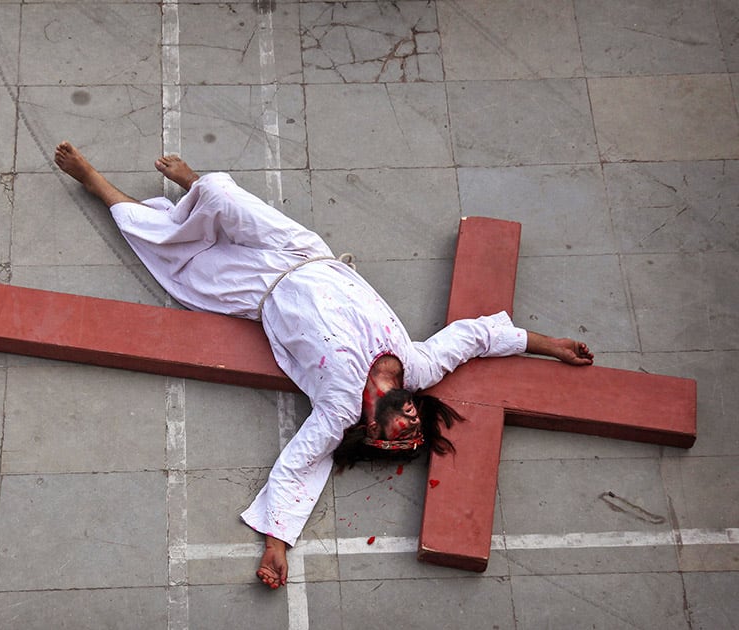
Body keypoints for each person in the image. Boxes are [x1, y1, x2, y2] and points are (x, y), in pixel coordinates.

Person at [53, 141, 594, 589]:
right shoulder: (418, 368)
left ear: (370, 429)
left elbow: (299, 466)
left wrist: (276, 544)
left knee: (170, 252)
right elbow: (472, 336)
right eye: (414, 428)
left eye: (395, 437)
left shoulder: (337, 410)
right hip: (302, 251)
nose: (406, 425)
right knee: (217, 190)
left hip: (256, 291)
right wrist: (549, 344)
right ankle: (193, 184)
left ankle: (95, 183)